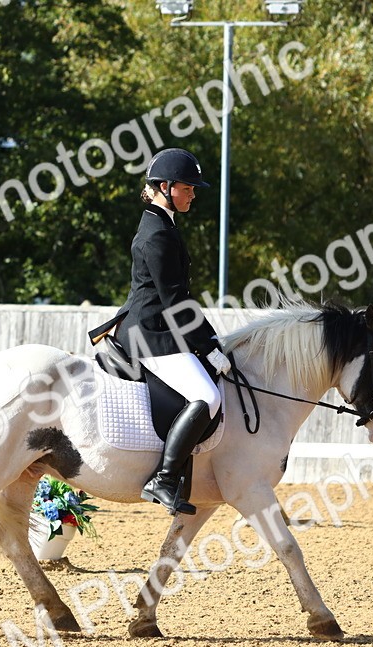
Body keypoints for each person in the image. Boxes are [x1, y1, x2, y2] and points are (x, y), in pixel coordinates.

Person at [117, 148, 231, 516]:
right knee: (207, 396)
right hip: (152, 334)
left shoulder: (161, 223)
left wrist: (209, 341)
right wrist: (208, 346)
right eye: (188, 187)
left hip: (158, 327)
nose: (193, 194)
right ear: (165, 187)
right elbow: (176, 302)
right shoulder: (158, 234)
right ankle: (164, 479)